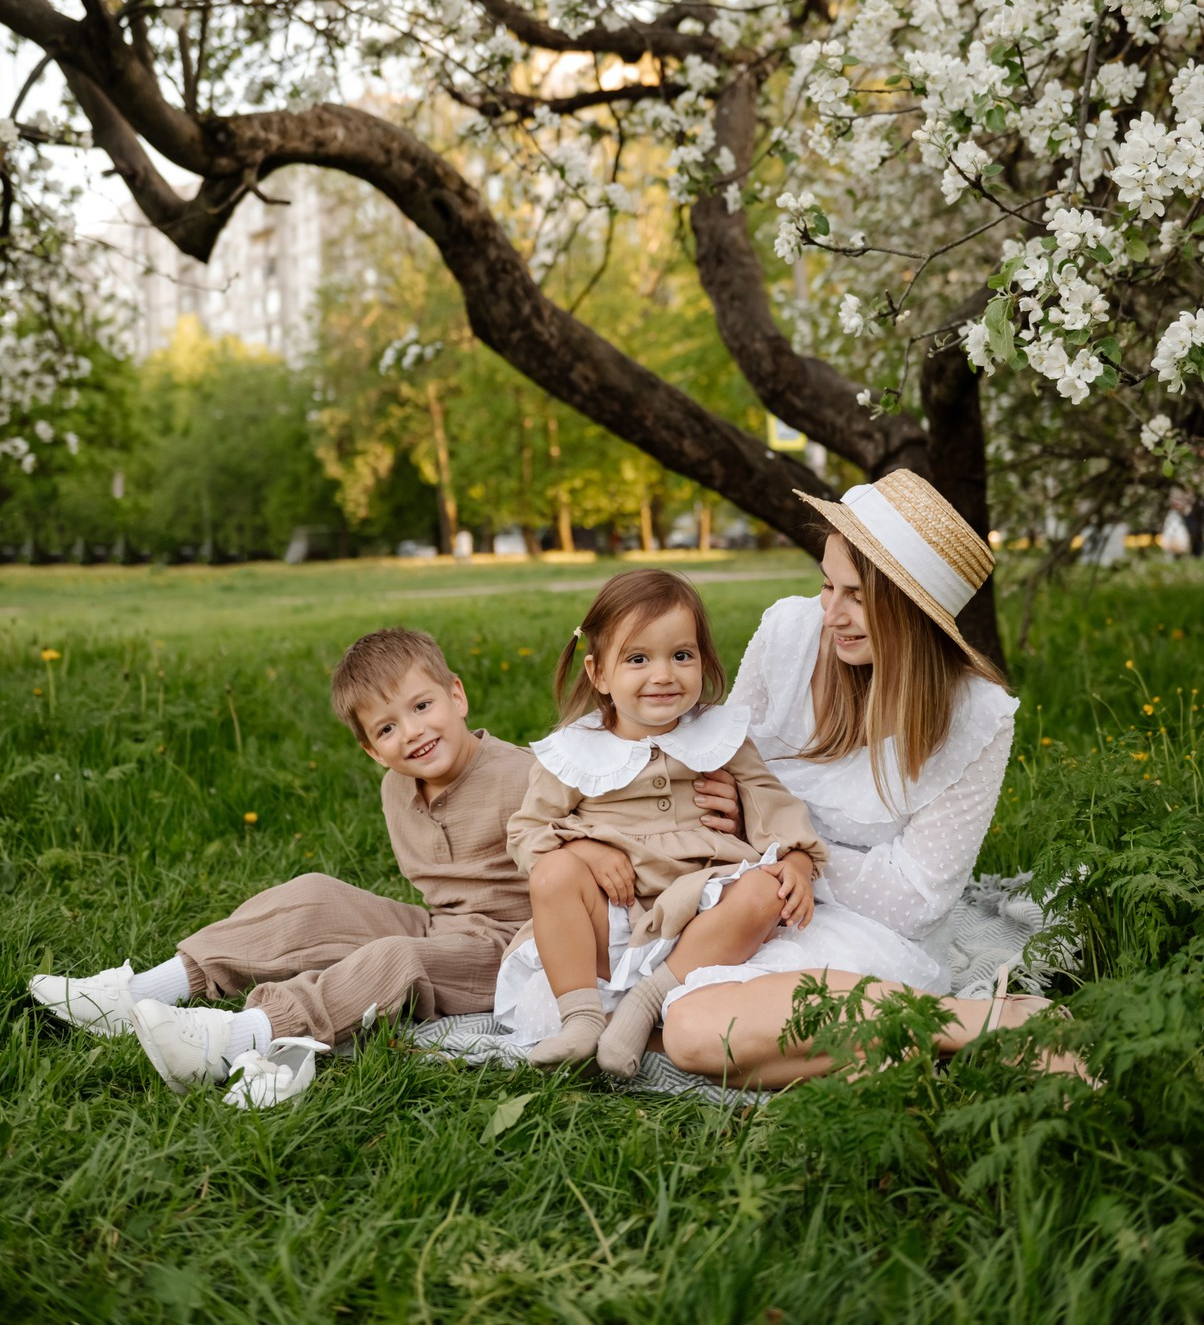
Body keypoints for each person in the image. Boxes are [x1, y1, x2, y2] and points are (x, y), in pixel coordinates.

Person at [29, 624, 740, 1107]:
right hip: (448, 925)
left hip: (515, 950)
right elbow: (431, 903)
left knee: (400, 958)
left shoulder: (525, 771)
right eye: (388, 728)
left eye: (424, 705)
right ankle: (138, 993)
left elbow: (604, 817)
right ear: (371, 749)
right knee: (312, 895)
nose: (414, 732)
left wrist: (583, 845)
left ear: (458, 696)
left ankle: (241, 1037)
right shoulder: (396, 786)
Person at [659, 470, 1073, 1087]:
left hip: (864, 937)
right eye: (828, 585)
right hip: (743, 901)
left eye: (856, 596)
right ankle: (911, 1040)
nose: (832, 614)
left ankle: (975, 1021)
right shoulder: (788, 634)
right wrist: (761, 842)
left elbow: (913, 901)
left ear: (911, 609)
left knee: (692, 1031)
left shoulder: (978, 719)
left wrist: (774, 837)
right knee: (659, 1012)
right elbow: (715, 767)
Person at [496, 569, 828, 1078]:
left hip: (701, 906)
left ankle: (645, 1005)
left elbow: (767, 799)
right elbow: (526, 834)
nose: (663, 674)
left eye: (681, 655)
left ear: (702, 660)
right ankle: (582, 1020)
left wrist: (799, 860)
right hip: (615, 911)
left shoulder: (720, 735)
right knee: (552, 875)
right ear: (599, 673)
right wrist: (584, 851)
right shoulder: (575, 750)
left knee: (764, 894)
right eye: (637, 659)